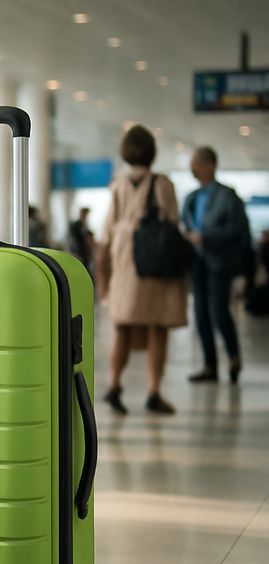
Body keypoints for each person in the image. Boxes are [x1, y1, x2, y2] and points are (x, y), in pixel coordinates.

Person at [96, 124, 187, 415]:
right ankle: (153, 392)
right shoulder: (161, 183)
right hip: (153, 266)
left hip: (124, 264)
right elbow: (171, 222)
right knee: (157, 326)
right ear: (152, 152)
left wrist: (104, 279)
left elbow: (106, 234)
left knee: (122, 327)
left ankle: (113, 385)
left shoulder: (118, 185)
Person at [182, 146, 250, 384]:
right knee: (201, 313)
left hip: (220, 262)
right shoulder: (191, 199)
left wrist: (208, 238)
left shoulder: (228, 196)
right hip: (197, 263)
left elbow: (239, 231)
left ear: (210, 165)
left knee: (219, 310)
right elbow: (184, 226)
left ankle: (233, 357)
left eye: (196, 163)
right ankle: (210, 365)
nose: (193, 168)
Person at [67, 207, 95, 277]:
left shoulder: (84, 225)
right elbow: (75, 241)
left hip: (85, 252)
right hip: (79, 252)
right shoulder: (76, 226)